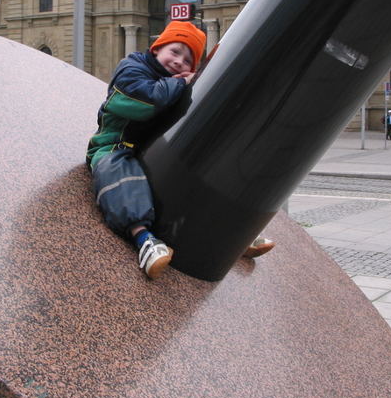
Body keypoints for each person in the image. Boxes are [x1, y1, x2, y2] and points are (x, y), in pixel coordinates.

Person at [86, 20, 274, 279]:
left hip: (148, 150)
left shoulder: (176, 85)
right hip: (113, 146)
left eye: (187, 60)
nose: (178, 62)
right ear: (156, 49)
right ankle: (144, 240)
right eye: (175, 51)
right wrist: (179, 84)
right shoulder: (133, 67)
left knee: (191, 182)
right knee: (120, 176)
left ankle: (230, 238)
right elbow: (140, 102)